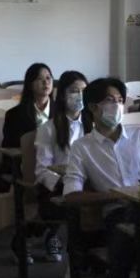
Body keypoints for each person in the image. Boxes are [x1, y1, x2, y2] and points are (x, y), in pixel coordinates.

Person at [63, 78, 140, 278]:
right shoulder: (82, 147)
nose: (117, 106)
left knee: (137, 225)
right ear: (92, 107)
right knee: (131, 224)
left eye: (120, 100)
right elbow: (71, 196)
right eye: (110, 100)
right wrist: (115, 195)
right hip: (117, 211)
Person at [34, 70, 88, 263]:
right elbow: (42, 170)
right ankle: (49, 236)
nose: (80, 96)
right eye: (74, 91)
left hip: (88, 184)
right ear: (62, 95)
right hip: (57, 187)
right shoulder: (48, 128)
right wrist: (63, 182)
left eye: (84, 91)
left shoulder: (92, 126)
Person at [2, 63, 54, 148]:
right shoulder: (13, 115)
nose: (46, 82)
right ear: (30, 84)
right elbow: (8, 148)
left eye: (48, 78)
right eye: (39, 78)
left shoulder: (62, 111)